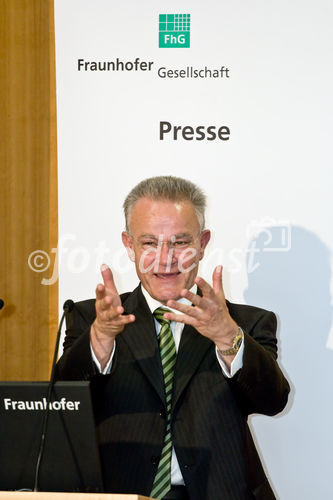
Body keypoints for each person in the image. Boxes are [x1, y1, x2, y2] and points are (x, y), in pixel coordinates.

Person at [56, 176, 290, 500]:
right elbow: (61, 409)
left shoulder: (246, 323)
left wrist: (227, 337)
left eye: (180, 242)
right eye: (149, 243)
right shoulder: (91, 320)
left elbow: (272, 401)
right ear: (128, 244)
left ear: (203, 243)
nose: (165, 258)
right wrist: (100, 340)